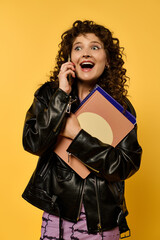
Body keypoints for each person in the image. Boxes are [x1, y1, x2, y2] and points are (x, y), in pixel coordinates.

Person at [22, 20, 142, 240]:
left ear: (107, 61)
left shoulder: (121, 107)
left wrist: (78, 136)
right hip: (56, 218)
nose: (86, 53)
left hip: (100, 222)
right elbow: (32, 143)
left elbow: (126, 165)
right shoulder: (50, 95)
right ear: (69, 60)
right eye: (78, 48)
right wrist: (61, 95)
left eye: (95, 47)